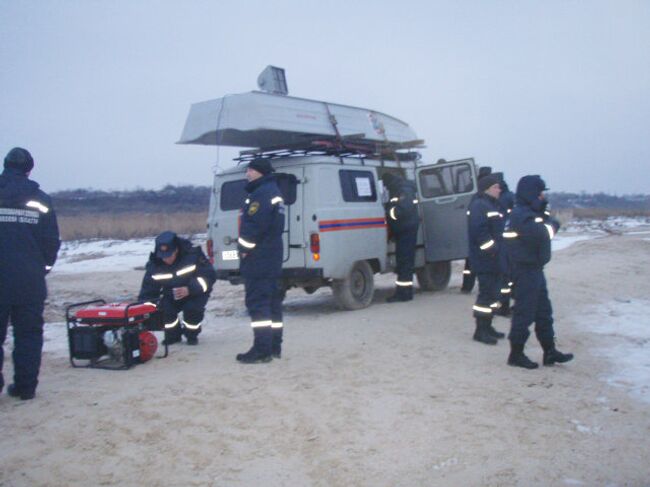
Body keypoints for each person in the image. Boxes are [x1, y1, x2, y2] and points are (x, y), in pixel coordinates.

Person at [0, 147, 60, 400]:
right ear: (29, 169)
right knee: (29, 336)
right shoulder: (41, 200)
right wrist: (41, 270)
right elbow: (50, 242)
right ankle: (26, 387)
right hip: (29, 281)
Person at [503, 175, 574, 369]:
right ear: (531, 193)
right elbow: (541, 234)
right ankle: (515, 354)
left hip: (534, 269)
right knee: (524, 314)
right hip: (524, 271)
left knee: (544, 313)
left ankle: (549, 351)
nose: (543, 196)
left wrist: (544, 214)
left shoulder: (529, 212)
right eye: (540, 193)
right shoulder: (520, 215)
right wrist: (555, 223)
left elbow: (541, 228)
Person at [236, 158, 285, 363]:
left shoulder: (262, 194)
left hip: (259, 258)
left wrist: (243, 250)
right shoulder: (273, 191)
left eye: (250, 170)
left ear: (260, 172)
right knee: (272, 302)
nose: (247, 173)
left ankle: (261, 350)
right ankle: (274, 347)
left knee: (258, 304)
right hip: (271, 256)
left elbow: (254, 226)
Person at [138, 231, 216, 345]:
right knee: (165, 310)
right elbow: (148, 289)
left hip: (195, 293)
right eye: (163, 256)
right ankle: (173, 335)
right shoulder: (155, 264)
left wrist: (189, 289)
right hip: (171, 294)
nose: (166, 259)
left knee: (192, 310)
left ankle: (191, 335)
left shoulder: (193, 255)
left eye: (169, 255)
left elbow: (209, 276)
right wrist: (144, 310)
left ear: (176, 250)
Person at [467, 174, 506, 345]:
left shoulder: (491, 204)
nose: (500, 190)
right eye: (496, 187)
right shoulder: (480, 205)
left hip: (494, 258)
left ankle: (488, 326)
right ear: (487, 189)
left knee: (493, 294)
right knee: (486, 295)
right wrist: (492, 250)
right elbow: (479, 232)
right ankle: (480, 330)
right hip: (485, 259)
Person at [382, 173, 420, 302]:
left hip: (406, 231)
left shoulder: (403, 190)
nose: (386, 187)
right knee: (404, 263)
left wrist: (388, 213)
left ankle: (403, 294)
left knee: (405, 263)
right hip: (404, 231)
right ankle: (405, 293)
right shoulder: (400, 188)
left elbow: (403, 210)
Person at [461, 165, 493, 293]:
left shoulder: (474, 188)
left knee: (471, 263)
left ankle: (467, 286)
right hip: (487, 234)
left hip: (475, 235)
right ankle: (485, 289)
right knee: (487, 264)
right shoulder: (488, 189)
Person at [493, 172, 515, 316]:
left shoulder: (502, 199)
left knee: (503, 277)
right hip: (509, 243)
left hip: (503, 242)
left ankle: (504, 306)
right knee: (507, 277)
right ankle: (505, 305)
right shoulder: (510, 196)